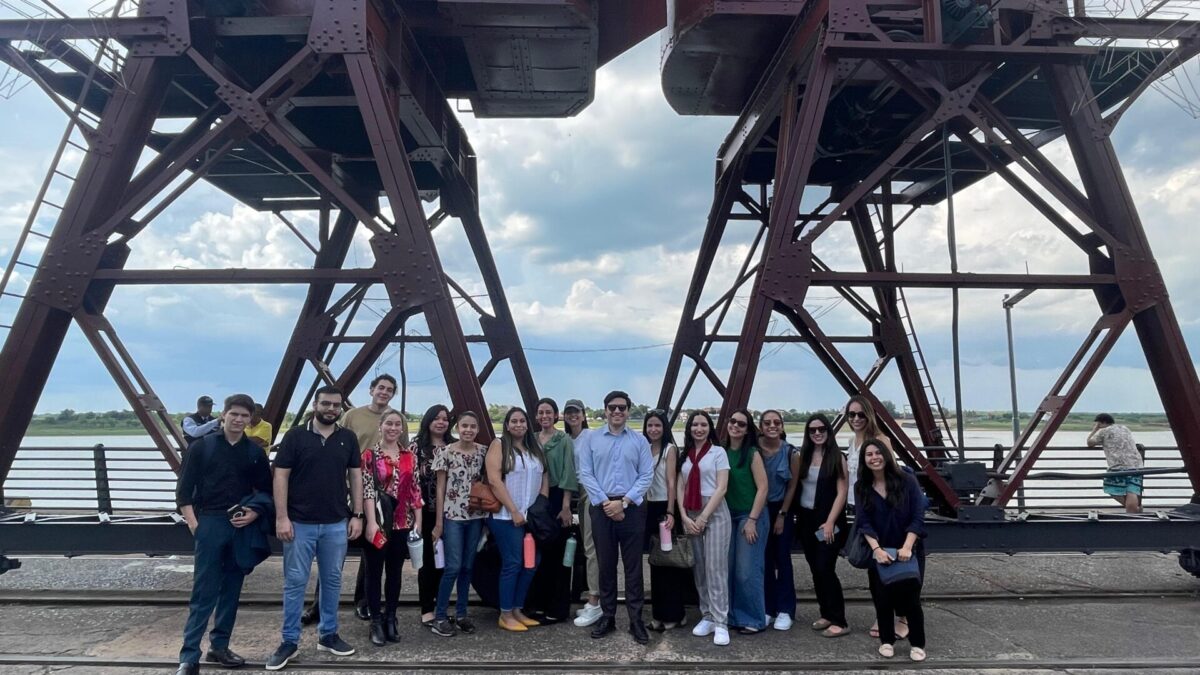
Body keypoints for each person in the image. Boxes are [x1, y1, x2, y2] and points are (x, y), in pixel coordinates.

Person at [266, 386, 363, 672]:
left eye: (335, 405)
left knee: (332, 580)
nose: (331, 409)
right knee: (295, 582)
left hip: (336, 522)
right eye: (326, 404)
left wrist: (356, 514)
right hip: (299, 523)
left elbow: (355, 477)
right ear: (316, 405)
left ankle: (328, 635)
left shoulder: (348, 438)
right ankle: (289, 640)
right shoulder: (295, 436)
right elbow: (280, 477)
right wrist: (281, 517)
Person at [174, 394, 272, 675]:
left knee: (231, 589)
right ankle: (189, 656)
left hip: (240, 523)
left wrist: (254, 512)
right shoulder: (202, 447)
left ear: (250, 418)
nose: (239, 420)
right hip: (210, 521)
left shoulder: (253, 453)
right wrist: (194, 524)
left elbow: (265, 490)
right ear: (224, 415)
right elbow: (183, 490)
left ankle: (220, 646)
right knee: (203, 591)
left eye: (244, 416)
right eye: (234, 414)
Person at [311, 374, 399, 625]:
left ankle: (363, 602)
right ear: (371, 389)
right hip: (346, 488)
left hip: (378, 496)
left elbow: (400, 454)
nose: (384, 392)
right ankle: (319, 605)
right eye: (380, 387)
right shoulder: (352, 416)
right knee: (333, 546)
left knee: (372, 548)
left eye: (389, 390)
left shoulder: (396, 418)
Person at [574, 390, 654, 644]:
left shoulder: (639, 441)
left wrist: (625, 502)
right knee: (606, 565)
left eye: (622, 407)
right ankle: (607, 616)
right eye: (612, 407)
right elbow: (586, 473)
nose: (617, 411)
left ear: (629, 410)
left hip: (631, 507)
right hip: (602, 506)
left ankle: (635, 620)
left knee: (633, 568)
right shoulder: (592, 439)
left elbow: (646, 475)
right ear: (605, 410)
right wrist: (607, 502)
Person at [855, 438, 928, 662]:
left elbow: (918, 515)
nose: (874, 458)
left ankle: (918, 643)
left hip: (907, 547)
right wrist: (876, 549)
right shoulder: (862, 486)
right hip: (879, 549)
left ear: (887, 455)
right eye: (869, 454)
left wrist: (907, 546)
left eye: (878, 453)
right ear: (864, 460)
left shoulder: (907, 480)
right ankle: (886, 641)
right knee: (881, 597)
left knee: (911, 600)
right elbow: (863, 521)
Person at [361, 410, 424, 646]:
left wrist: (418, 520)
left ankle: (391, 618)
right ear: (381, 426)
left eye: (398, 424)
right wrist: (372, 523)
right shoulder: (368, 456)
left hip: (402, 522)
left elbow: (415, 489)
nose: (393, 428)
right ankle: (375, 621)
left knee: (395, 573)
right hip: (378, 522)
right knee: (374, 572)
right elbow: (367, 490)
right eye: (389, 423)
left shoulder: (409, 455)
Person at [843, 394, 900, 640]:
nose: (856, 419)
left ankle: (896, 617)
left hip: (881, 511)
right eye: (851, 414)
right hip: (860, 510)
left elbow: (893, 476)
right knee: (872, 566)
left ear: (869, 415)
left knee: (886, 565)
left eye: (860, 414)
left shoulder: (881, 440)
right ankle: (885, 613)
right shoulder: (851, 441)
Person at [487, 407, 549, 632]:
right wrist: (513, 510)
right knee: (513, 563)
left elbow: (544, 474)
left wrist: (541, 505)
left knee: (532, 563)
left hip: (530, 517)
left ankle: (517, 608)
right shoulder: (499, 445)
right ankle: (505, 613)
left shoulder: (534, 448)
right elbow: (494, 480)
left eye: (522, 420)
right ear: (507, 424)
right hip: (505, 516)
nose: (518, 425)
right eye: (514, 421)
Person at [430, 411, 489, 637]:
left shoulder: (482, 452)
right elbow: (440, 488)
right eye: (464, 426)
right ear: (458, 427)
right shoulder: (445, 452)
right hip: (453, 516)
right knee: (453, 567)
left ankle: (462, 613)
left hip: (476, 517)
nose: (468, 430)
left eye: (472, 427)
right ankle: (441, 616)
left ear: (477, 429)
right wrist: (439, 523)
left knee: (467, 566)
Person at [678, 410, 732, 646]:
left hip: (715, 512)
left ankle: (721, 622)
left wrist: (703, 517)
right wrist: (684, 517)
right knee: (699, 567)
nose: (698, 429)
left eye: (703, 425)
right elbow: (680, 486)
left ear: (709, 428)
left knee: (715, 568)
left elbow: (721, 488)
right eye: (694, 425)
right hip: (690, 512)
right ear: (689, 429)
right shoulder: (686, 456)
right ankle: (707, 614)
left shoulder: (718, 453)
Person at [796, 413, 850, 637]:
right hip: (806, 521)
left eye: (821, 429)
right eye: (812, 430)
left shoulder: (837, 457)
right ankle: (826, 613)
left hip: (829, 523)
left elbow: (842, 492)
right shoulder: (804, 457)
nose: (817, 433)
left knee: (825, 568)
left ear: (828, 432)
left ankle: (840, 620)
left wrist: (829, 522)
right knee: (815, 569)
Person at [526, 397, 578, 624]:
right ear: (536, 417)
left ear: (556, 415)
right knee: (538, 555)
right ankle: (536, 604)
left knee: (557, 556)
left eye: (549, 412)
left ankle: (557, 609)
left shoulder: (564, 440)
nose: (544, 416)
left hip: (557, 499)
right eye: (541, 413)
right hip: (535, 500)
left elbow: (568, 473)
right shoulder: (532, 440)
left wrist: (566, 506)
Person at [642, 408, 692, 631]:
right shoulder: (644, 449)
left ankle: (674, 614)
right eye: (650, 425)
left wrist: (671, 512)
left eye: (657, 425)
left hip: (664, 508)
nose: (653, 429)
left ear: (664, 428)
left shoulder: (669, 449)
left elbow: (672, 483)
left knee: (670, 564)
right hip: (649, 508)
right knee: (656, 563)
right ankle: (659, 614)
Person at [722, 408, 769, 635]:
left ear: (748, 429)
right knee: (728, 569)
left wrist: (752, 519)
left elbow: (763, 488)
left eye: (741, 424)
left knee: (746, 571)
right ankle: (732, 616)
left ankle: (753, 619)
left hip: (749, 516)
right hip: (726, 516)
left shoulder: (752, 453)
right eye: (733, 422)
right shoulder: (720, 452)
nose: (736, 426)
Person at [410, 405, 454, 626]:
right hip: (425, 512)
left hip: (452, 512)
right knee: (428, 561)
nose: (441, 422)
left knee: (446, 562)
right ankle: (427, 608)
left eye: (445, 419)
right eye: (436, 418)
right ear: (428, 421)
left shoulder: (454, 446)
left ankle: (441, 604)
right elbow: (409, 481)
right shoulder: (417, 447)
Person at [759, 409, 800, 631]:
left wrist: (783, 515)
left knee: (782, 560)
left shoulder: (791, 453)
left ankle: (786, 609)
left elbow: (792, 485)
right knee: (763, 561)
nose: (772, 426)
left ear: (782, 426)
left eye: (776, 422)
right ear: (761, 426)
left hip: (781, 509)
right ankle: (767, 608)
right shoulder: (755, 450)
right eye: (767, 423)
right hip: (759, 509)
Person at [565, 398, 603, 628]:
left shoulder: (592, 437)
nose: (573, 416)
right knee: (588, 547)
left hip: (590, 492)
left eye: (576, 412)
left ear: (583, 414)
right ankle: (593, 600)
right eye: (569, 412)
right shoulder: (566, 439)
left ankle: (595, 600)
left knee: (591, 548)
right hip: (575, 493)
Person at [1087, 413, 1144, 513]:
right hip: (1137, 464)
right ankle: (1134, 509)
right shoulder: (1124, 428)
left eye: (1097, 423)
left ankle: (1133, 509)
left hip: (1119, 465)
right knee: (1132, 489)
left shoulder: (1104, 431)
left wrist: (1095, 430)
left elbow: (1089, 443)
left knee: (1109, 487)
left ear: (1102, 422)